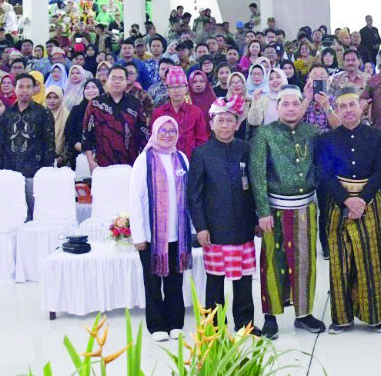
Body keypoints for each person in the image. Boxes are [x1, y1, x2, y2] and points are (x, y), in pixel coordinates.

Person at [249, 86, 326, 338]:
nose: (291, 108)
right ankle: (271, 316)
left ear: (301, 106)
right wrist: (262, 211)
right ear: (277, 107)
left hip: (305, 208)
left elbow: (319, 166)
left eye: (295, 103)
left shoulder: (311, 132)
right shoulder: (265, 134)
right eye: (285, 104)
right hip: (275, 211)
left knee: (305, 262)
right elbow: (257, 175)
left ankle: (303, 314)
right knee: (273, 261)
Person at [315, 83, 381, 334]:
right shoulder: (325, 140)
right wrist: (346, 200)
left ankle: (376, 316)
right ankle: (341, 317)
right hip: (338, 203)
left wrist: (363, 199)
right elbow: (324, 175)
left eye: (352, 105)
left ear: (362, 107)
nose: (348, 110)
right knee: (339, 259)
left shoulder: (377, 136)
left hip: (369, 200)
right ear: (335, 110)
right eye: (342, 106)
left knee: (370, 257)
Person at [189, 97, 258, 334]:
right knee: (215, 282)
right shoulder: (201, 153)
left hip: (244, 225)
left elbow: (256, 187)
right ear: (212, 123)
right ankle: (214, 327)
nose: (226, 125)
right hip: (214, 227)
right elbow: (194, 195)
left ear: (237, 124)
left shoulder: (246, 149)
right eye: (221, 121)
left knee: (244, 280)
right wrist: (201, 227)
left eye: (230, 121)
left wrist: (258, 219)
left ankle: (245, 324)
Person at [129, 117, 195, 342]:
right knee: (153, 282)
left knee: (175, 282)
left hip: (178, 234)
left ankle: (175, 323)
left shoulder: (182, 158)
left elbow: (190, 196)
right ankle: (157, 325)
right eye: (163, 131)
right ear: (155, 133)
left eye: (172, 131)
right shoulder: (143, 160)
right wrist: (138, 235)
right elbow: (135, 199)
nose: (167, 135)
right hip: (151, 236)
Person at [0, 73, 56, 209]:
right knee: (12, 211)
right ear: (14, 88)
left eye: (28, 87)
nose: (24, 90)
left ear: (34, 89)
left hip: (34, 171)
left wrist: (46, 171)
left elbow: (49, 144)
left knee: (35, 211)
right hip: (10, 170)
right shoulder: (7, 113)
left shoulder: (43, 113)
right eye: (21, 86)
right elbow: (0, 142)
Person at [82, 66, 147, 170]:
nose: (117, 81)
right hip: (102, 163)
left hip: (130, 164)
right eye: (113, 78)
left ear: (127, 82)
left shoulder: (135, 103)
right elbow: (87, 134)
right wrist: (91, 162)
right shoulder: (95, 103)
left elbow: (143, 134)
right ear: (107, 81)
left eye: (121, 78)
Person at [152, 67, 211, 158]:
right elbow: (154, 140)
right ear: (167, 89)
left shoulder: (195, 112)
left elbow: (202, 141)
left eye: (180, 86)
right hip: (164, 161)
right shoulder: (159, 113)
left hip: (190, 163)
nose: (176, 91)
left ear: (186, 88)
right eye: (172, 87)